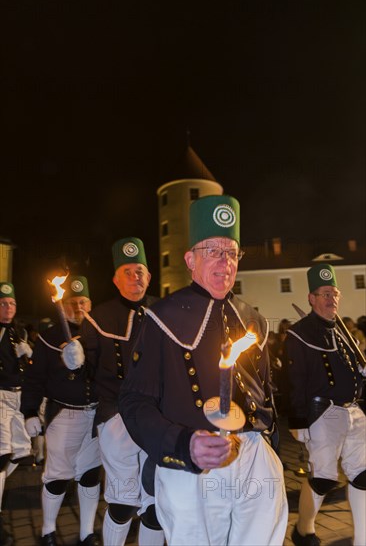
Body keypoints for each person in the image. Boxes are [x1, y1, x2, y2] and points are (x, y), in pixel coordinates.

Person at [119, 195, 288, 546]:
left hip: (254, 455)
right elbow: (135, 403)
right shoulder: (161, 317)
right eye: (213, 251)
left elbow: (266, 391)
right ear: (190, 260)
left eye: (231, 252)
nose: (224, 261)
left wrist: (269, 445)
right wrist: (182, 444)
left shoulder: (253, 318)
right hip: (191, 458)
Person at [75, 238, 165, 546]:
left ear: (149, 277)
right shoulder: (98, 317)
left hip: (159, 417)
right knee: (124, 501)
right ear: (116, 279)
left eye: (139, 271)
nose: (135, 277)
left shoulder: (165, 311)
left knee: (155, 502)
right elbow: (87, 372)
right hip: (117, 416)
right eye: (127, 271)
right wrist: (75, 361)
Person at [284, 263, 366, 546]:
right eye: (324, 293)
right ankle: (303, 530)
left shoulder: (346, 333)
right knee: (323, 479)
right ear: (311, 298)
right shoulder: (299, 333)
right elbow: (295, 380)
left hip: (354, 411)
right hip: (324, 412)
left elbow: (351, 369)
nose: (331, 298)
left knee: (363, 475)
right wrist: (298, 422)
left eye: (334, 293)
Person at [20, 275, 102, 546]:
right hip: (64, 415)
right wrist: (30, 411)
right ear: (63, 305)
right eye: (72, 303)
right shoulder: (49, 337)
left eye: (83, 302)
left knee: (90, 475)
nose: (78, 308)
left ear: (90, 304)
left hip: (95, 415)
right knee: (57, 475)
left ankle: (86, 533)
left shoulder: (100, 332)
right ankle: (48, 530)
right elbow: (34, 378)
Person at [0, 282, 33, 546]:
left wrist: (28, 354)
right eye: (2, 303)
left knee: (22, 452)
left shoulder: (18, 332)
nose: (8, 307)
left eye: (11, 303)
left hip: (18, 397)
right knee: (2, 454)